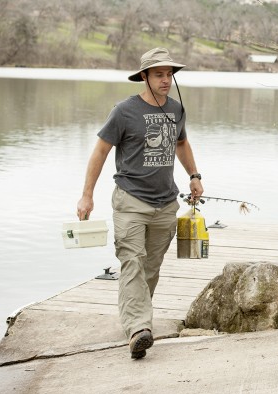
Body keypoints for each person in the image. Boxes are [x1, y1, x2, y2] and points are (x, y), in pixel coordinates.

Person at [76, 48, 204, 360]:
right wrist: (87, 195)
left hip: (165, 203)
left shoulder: (176, 110)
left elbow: (182, 143)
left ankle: (137, 322)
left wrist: (195, 175)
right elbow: (100, 151)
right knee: (132, 261)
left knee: (150, 267)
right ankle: (138, 329)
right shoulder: (123, 111)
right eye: (158, 74)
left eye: (169, 73)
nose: (165, 79)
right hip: (130, 200)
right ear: (144, 76)